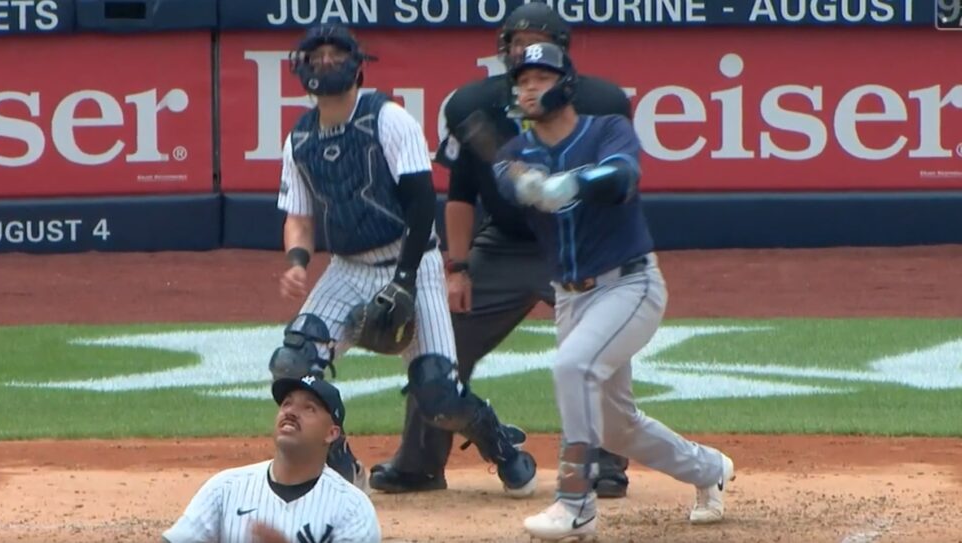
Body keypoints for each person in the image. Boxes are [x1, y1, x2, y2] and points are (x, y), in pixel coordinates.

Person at [369, 2, 633, 498]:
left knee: (605, 342)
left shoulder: (603, 102)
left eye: (538, 43)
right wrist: (459, 267)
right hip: (507, 244)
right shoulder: (474, 106)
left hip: (582, 242)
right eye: (516, 43)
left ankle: (605, 463)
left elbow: (618, 184)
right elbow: (462, 195)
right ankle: (420, 462)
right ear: (502, 50)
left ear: (563, 54)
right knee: (441, 337)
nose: (526, 54)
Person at [270, 23, 538, 500]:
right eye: (318, 56)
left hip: (415, 260)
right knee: (294, 362)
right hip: (348, 268)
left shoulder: (388, 118)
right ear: (302, 69)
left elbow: (419, 205)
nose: (327, 62)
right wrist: (296, 260)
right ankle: (342, 467)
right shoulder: (300, 139)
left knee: (437, 395)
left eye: (337, 54)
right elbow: (300, 217)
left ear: (356, 66)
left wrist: (405, 279)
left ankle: (500, 444)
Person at [491, 42, 736, 541]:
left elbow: (624, 174)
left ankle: (575, 501)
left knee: (573, 366)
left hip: (630, 285)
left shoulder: (606, 129)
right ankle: (709, 469)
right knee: (618, 426)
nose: (530, 87)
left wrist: (573, 182)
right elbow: (506, 180)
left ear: (566, 83)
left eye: (541, 77)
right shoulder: (516, 152)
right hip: (571, 298)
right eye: (523, 80)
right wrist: (528, 185)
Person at [162, 375, 381, 543]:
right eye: (287, 403)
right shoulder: (225, 488)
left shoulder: (352, 507)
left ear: (331, 433)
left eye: (309, 408)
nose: (291, 412)